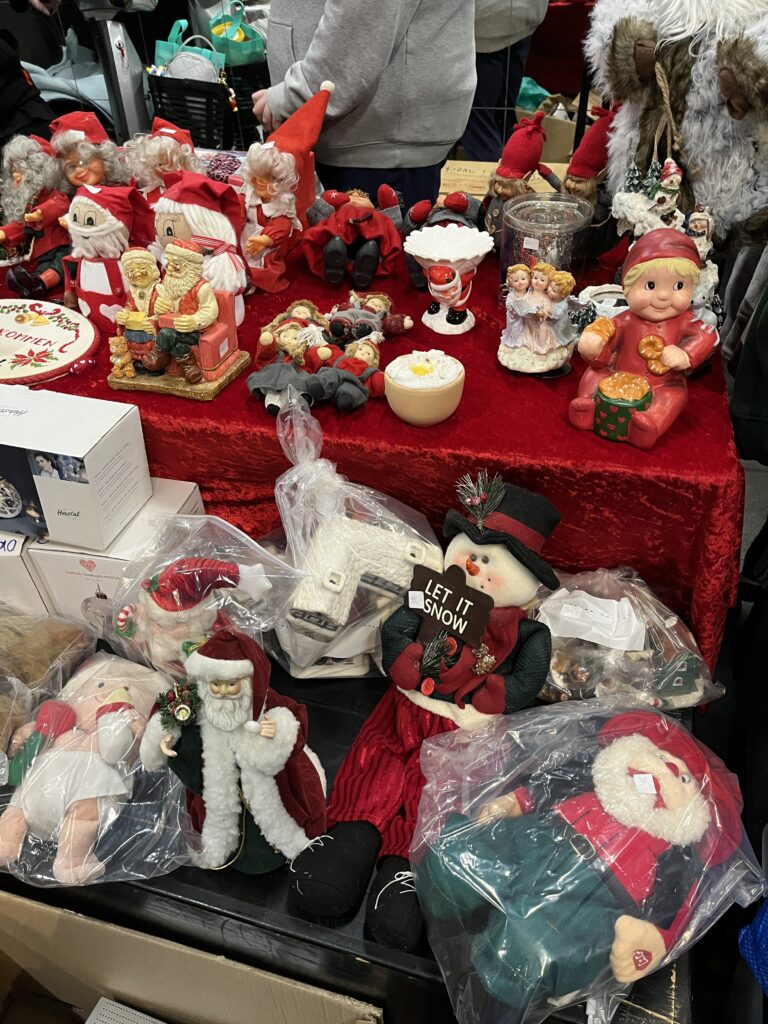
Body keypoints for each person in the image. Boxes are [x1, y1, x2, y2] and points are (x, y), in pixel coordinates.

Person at [252, 0, 476, 208]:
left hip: (375, 144)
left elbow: (362, 19)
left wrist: (295, 95)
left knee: (373, 236)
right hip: (363, 134)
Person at [461, 0, 548, 162]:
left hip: (483, 24)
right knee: (501, 114)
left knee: (479, 119)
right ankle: (513, 169)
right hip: (524, 16)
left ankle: (501, 174)